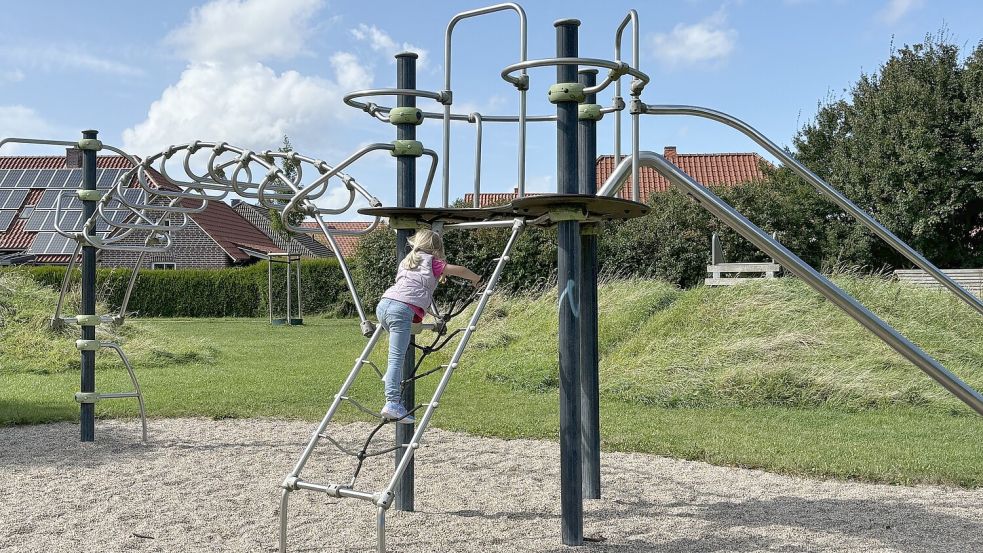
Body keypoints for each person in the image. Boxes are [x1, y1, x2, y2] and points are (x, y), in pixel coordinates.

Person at [376, 229, 480, 423]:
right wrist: (477, 279)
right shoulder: (432, 261)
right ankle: (392, 402)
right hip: (401, 309)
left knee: (396, 354)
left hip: (384, 305)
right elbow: (460, 270)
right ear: (435, 248)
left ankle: (391, 378)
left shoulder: (407, 260)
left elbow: (413, 290)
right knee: (396, 359)